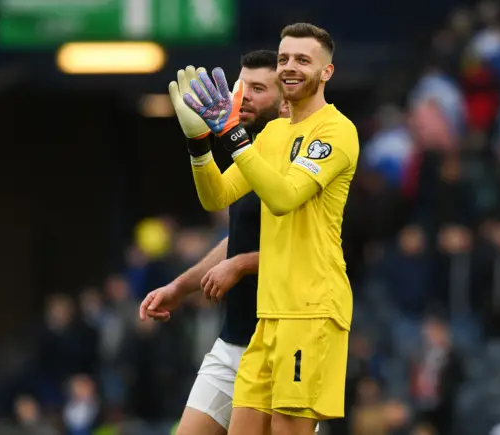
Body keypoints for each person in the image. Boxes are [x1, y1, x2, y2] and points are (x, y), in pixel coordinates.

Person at [182, 23, 360, 435]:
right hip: (269, 315)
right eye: (283, 59)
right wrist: (200, 144)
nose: (289, 67)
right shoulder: (275, 133)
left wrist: (232, 134)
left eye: (302, 59)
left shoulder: (336, 131)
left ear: (326, 72)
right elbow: (218, 196)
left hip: (312, 310)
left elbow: (283, 197)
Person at [138, 50, 288, 435]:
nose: (245, 96)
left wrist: (239, 265)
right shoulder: (248, 157)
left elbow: (309, 251)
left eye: (258, 88)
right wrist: (179, 287)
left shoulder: (299, 159)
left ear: (286, 101)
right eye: (242, 86)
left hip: (284, 343)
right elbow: (235, 240)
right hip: (233, 339)